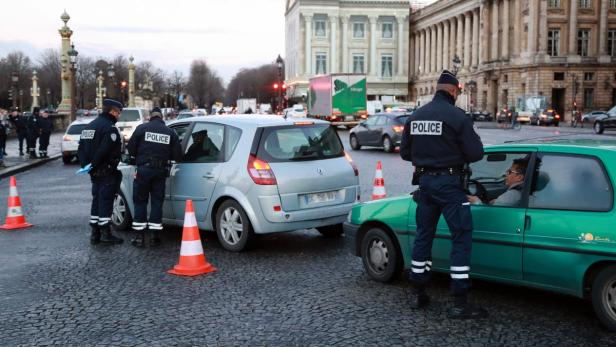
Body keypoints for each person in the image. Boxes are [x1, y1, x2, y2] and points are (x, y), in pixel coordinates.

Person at [400, 70, 486, 319]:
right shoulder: (456, 116)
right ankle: (460, 301)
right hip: (450, 184)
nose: (458, 94)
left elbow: (406, 153)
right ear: (452, 90)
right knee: (461, 236)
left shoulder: (416, 116)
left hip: (425, 184)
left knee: (423, 236)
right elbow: (476, 153)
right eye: (458, 91)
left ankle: (418, 293)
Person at [126, 107, 182, 247]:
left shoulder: (141, 129)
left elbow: (131, 149)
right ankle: (154, 236)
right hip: (160, 171)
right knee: (157, 202)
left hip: (143, 170)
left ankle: (139, 237)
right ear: (161, 117)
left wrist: (137, 157)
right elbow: (178, 156)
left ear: (150, 117)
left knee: (140, 201)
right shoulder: (170, 132)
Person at [77, 99, 124, 245]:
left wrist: (88, 166)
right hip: (106, 170)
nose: (119, 116)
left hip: (93, 172)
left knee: (96, 200)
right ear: (112, 111)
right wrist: (95, 164)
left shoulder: (89, 126)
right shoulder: (109, 128)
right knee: (106, 200)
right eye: (118, 113)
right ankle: (105, 233)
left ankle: (95, 233)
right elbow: (104, 151)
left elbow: (80, 149)